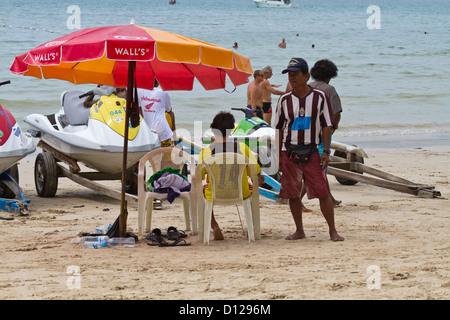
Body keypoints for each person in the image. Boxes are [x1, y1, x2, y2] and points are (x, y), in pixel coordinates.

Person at [274, 57, 344, 242]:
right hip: (289, 151)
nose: (291, 78)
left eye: (295, 74)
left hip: (313, 150)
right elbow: (279, 128)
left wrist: (326, 152)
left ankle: (332, 231)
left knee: (322, 192)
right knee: (293, 193)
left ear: (306, 75)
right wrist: (279, 156)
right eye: (289, 74)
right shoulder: (284, 100)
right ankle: (299, 230)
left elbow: (327, 125)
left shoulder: (319, 97)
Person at [198, 111, 264, 240]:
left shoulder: (207, 151)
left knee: (202, 190)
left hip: (214, 193)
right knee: (253, 188)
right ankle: (250, 230)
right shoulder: (242, 148)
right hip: (241, 192)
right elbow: (254, 172)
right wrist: (260, 175)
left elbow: (199, 175)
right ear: (232, 129)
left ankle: (214, 225)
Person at [138, 78, 176, 147]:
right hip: (163, 132)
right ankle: (175, 141)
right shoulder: (164, 92)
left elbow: (140, 110)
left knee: (150, 157)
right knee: (171, 114)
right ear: (158, 82)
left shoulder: (140, 91)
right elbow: (169, 110)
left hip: (148, 132)